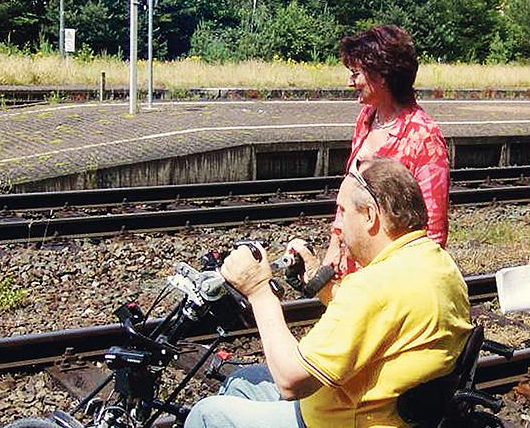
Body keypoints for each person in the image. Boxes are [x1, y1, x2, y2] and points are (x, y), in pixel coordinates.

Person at [185, 157, 471, 428]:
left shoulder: (374, 286)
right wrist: (317, 282)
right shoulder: (436, 263)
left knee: (206, 414)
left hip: (344, 421)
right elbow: (375, 318)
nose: (339, 226)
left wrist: (258, 291)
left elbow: (290, 381)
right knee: (243, 381)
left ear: (370, 215)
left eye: (343, 212)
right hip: (385, 411)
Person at [324, 25, 450, 276]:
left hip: (393, 274)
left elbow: (433, 228)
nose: (351, 83)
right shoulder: (366, 119)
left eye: (356, 73)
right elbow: (349, 195)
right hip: (354, 268)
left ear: (381, 75)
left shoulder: (423, 137)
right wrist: (336, 242)